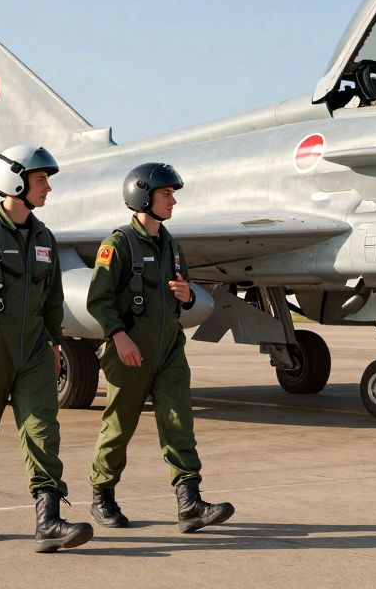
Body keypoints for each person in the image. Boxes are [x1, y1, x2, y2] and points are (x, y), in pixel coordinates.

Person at [0, 144, 94, 553]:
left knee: (43, 432)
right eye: (41, 179)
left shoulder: (45, 237)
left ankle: (49, 520)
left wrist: (56, 343)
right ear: (16, 181)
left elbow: (52, 299)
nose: (48, 188)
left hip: (35, 352)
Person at [86, 162, 234, 533]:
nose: (173, 201)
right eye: (166, 194)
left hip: (169, 350)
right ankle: (102, 495)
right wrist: (119, 337)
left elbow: (181, 292)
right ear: (143, 195)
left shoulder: (171, 245)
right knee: (119, 427)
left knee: (179, 424)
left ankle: (190, 503)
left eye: (172, 194)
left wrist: (187, 296)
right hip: (130, 351)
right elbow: (99, 300)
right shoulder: (117, 245)